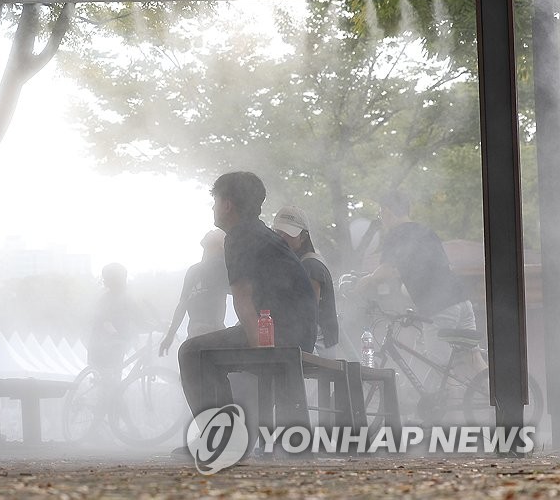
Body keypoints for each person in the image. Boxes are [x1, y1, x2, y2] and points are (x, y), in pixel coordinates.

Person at [177, 172, 317, 436]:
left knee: (191, 353)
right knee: (203, 351)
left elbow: (243, 298)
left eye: (215, 201)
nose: (213, 208)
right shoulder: (262, 234)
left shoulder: (239, 236)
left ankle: (221, 439)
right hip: (297, 329)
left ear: (227, 204)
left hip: (279, 331)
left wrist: (263, 353)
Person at [349, 190, 481, 371]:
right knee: (473, 357)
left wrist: (362, 284)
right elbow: (430, 267)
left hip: (440, 306)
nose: (381, 218)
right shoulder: (426, 231)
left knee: (439, 368)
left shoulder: (396, 235)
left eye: (381, 213)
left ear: (387, 211)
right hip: (462, 301)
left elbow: (385, 270)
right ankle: (495, 392)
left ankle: (452, 400)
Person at [271, 206, 339, 354]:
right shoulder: (295, 264)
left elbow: (308, 315)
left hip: (318, 345)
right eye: (278, 232)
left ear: (303, 237)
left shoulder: (310, 266)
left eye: (288, 233)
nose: (282, 238)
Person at [159, 229, 229, 356]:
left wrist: (170, 335)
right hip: (206, 332)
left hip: (203, 331)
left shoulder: (203, 269)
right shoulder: (212, 268)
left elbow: (182, 305)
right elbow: (182, 305)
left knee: (193, 371)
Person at [86, 263, 150, 374]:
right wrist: (115, 335)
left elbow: (140, 319)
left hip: (117, 346)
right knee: (109, 380)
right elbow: (105, 322)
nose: (124, 281)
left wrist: (159, 326)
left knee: (115, 377)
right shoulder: (105, 300)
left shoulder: (126, 298)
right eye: (121, 278)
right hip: (103, 348)